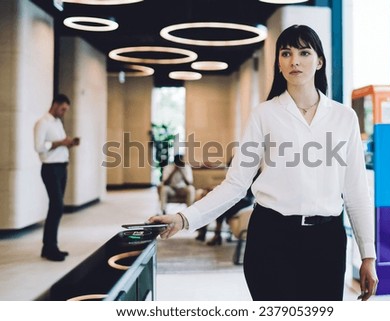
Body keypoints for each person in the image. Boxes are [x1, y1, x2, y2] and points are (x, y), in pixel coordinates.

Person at [148, 25, 378, 301]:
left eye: (304, 53)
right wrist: (185, 218)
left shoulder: (344, 118)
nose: (294, 61)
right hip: (272, 239)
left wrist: (368, 255)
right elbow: (235, 184)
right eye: (286, 53)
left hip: (326, 242)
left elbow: (356, 192)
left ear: (319, 61)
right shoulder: (264, 115)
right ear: (278, 64)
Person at [34, 94, 79, 262]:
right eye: (63, 109)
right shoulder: (42, 123)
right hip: (50, 169)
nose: (64, 112)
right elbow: (39, 147)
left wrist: (68, 143)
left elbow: (58, 143)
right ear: (55, 104)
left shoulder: (57, 123)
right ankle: (50, 247)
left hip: (61, 167)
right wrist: (61, 143)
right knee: (57, 206)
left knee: (56, 207)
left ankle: (49, 246)